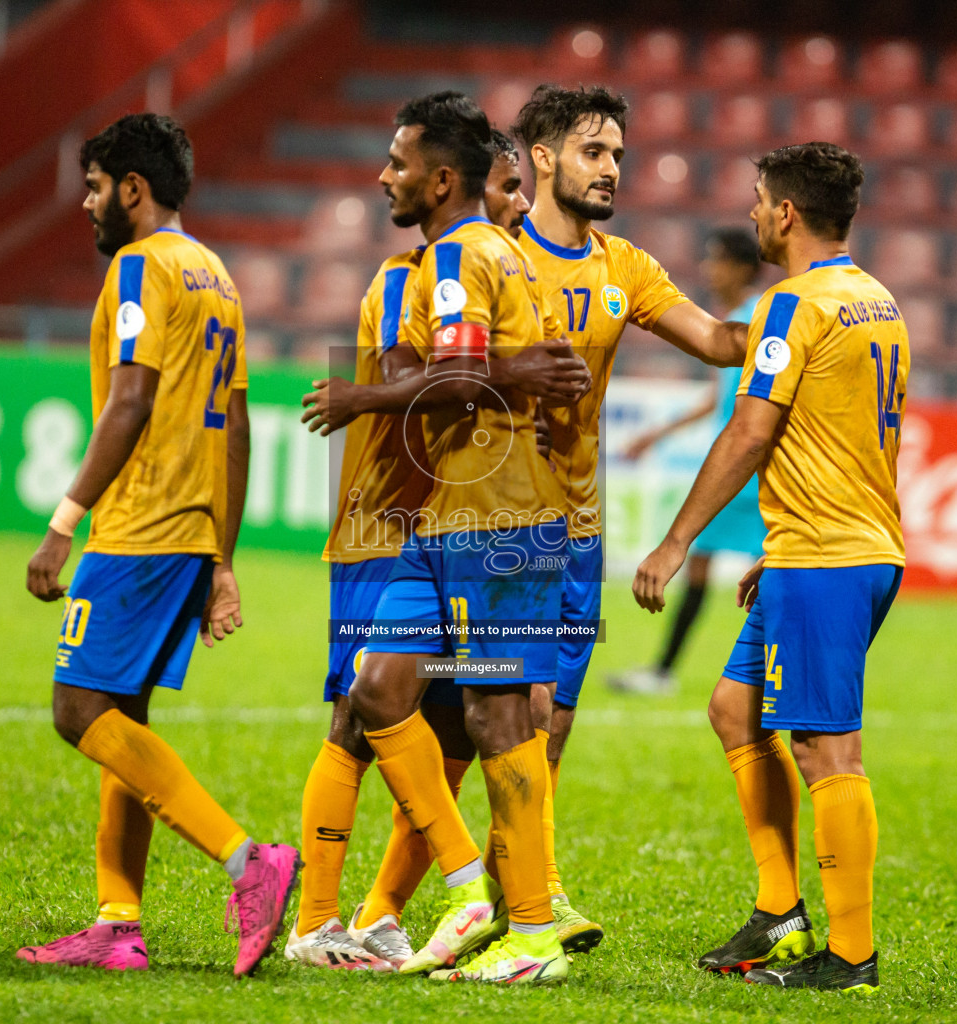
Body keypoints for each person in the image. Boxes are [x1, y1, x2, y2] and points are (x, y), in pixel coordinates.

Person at [300, 94, 589, 985]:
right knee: (379, 689)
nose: (383, 176)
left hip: (499, 520)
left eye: (397, 162)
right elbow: (518, 371)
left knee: (500, 716)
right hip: (444, 520)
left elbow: (460, 374)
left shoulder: (463, 253)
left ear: (439, 179)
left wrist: (358, 401)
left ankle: (533, 930)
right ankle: (468, 886)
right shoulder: (475, 255)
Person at [15, 113, 299, 978]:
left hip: (138, 529)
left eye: (96, 189)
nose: (91, 207)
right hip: (189, 532)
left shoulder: (142, 267)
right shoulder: (216, 274)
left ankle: (249, 861)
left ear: (133, 189)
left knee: (79, 712)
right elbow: (239, 428)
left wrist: (62, 525)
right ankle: (117, 922)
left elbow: (128, 400)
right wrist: (222, 559)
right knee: (121, 715)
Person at [633, 142, 908, 994]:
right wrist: (776, 548)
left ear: (786, 212)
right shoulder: (875, 299)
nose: (752, 213)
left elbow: (749, 431)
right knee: (733, 708)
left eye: (758, 200)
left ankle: (851, 957)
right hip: (828, 547)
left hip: (827, 557)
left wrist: (676, 542)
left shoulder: (793, 304)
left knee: (829, 750)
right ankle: (780, 913)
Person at [504, 84, 754, 950]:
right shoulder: (491, 257)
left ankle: (527, 895)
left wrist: (803, 315)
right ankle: (466, 897)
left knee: (555, 722)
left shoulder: (626, 269)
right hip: (494, 527)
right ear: (543, 158)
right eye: (594, 152)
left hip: (575, 532)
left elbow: (721, 342)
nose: (614, 169)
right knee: (483, 720)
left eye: (617, 154)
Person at [610, 228, 767, 696]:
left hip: (748, 467)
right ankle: (669, 671)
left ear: (740, 267)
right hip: (745, 466)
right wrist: (656, 435)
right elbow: (718, 396)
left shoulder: (751, 320)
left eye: (716, 259)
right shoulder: (743, 317)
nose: (707, 269)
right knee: (724, 563)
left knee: (755, 567)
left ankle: (672, 672)